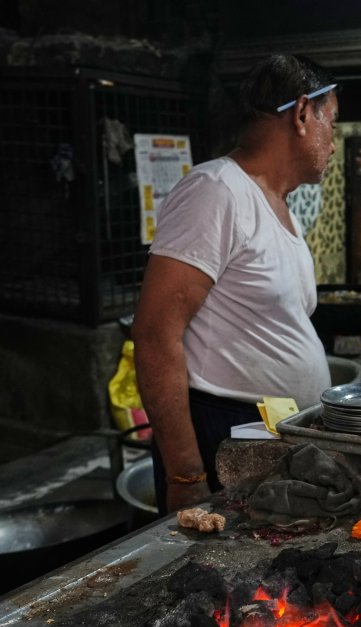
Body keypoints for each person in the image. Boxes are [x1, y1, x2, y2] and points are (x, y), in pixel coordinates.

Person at [132, 55, 338, 513]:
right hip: (226, 431)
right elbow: (153, 334)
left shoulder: (278, 203)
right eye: (333, 124)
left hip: (274, 431)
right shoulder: (216, 191)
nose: (335, 143)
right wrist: (186, 474)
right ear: (303, 114)